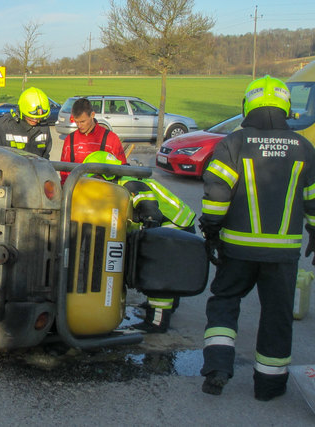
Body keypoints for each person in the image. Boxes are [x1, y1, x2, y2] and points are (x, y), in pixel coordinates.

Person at [199, 75, 315, 400]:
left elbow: (217, 194)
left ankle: (217, 369)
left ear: (247, 106)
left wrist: (210, 229)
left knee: (224, 302)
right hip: (283, 256)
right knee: (277, 316)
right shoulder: (305, 148)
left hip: (237, 249)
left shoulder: (233, 143)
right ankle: (269, 386)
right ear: (286, 107)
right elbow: (314, 199)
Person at [83, 151, 196, 333]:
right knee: (169, 274)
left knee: (158, 276)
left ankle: (156, 322)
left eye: (95, 177)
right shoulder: (123, 180)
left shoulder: (129, 183)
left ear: (106, 174)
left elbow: (150, 213)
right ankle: (168, 307)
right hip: (179, 225)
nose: (95, 182)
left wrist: (147, 242)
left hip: (172, 229)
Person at [60, 97, 127, 184]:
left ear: (92, 115)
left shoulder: (110, 139)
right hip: (77, 192)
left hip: (103, 192)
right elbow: (64, 172)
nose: (79, 126)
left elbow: (123, 170)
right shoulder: (70, 140)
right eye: (76, 122)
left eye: (82, 121)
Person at [0, 87, 52, 159]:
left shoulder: (43, 128)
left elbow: (45, 157)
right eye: (32, 117)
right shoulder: (4, 126)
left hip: (35, 169)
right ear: (21, 112)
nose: (37, 120)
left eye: (40, 117)